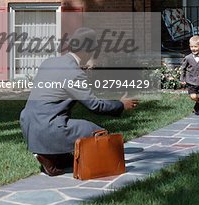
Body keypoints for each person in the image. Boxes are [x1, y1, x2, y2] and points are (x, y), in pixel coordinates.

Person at [20, 27, 139, 176]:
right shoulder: (73, 72)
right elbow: (95, 105)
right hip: (49, 126)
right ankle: (48, 156)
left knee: (74, 135)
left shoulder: (49, 62)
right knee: (98, 133)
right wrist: (121, 104)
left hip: (29, 125)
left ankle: (53, 156)